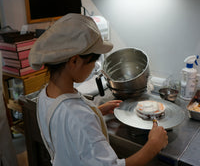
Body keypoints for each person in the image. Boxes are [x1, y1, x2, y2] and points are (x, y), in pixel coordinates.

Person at [29, 13, 168, 166]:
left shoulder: (46, 95)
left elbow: (67, 129)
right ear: (74, 61)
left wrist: (96, 111)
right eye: (93, 61)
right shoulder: (80, 118)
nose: (95, 67)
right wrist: (153, 146)